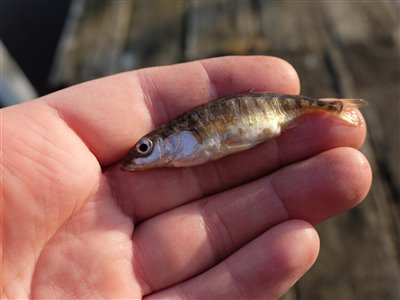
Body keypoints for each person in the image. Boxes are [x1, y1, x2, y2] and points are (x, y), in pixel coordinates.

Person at [1, 56, 371, 299]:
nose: (139, 156)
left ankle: (334, 111)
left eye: (146, 148)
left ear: (170, 138)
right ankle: (332, 110)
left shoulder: (187, 143)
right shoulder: (182, 152)